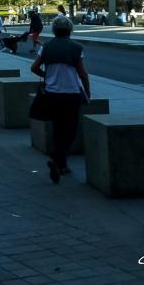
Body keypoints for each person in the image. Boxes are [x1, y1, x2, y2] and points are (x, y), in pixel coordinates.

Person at [30, 16, 91, 183]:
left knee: (58, 129)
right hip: (71, 94)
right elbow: (82, 73)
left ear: (54, 30)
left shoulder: (47, 47)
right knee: (70, 131)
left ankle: (61, 165)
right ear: (70, 30)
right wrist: (87, 92)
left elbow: (34, 68)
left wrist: (46, 75)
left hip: (51, 94)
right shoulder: (76, 48)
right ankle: (57, 160)